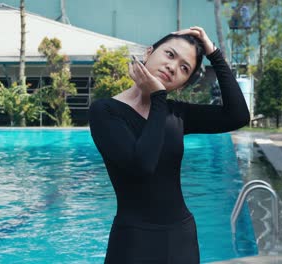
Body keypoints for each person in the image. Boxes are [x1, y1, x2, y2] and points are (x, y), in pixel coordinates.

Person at [89, 26, 250, 264]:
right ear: (149, 52)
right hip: (133, 242)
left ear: (183, 83)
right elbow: (142, 166)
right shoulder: (106, 111)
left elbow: (238, 116)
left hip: (180, 239)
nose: (173, 67)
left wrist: (214, 54)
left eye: (184, 68)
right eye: (170, 55)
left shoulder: (176, 114)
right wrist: (158, 99)